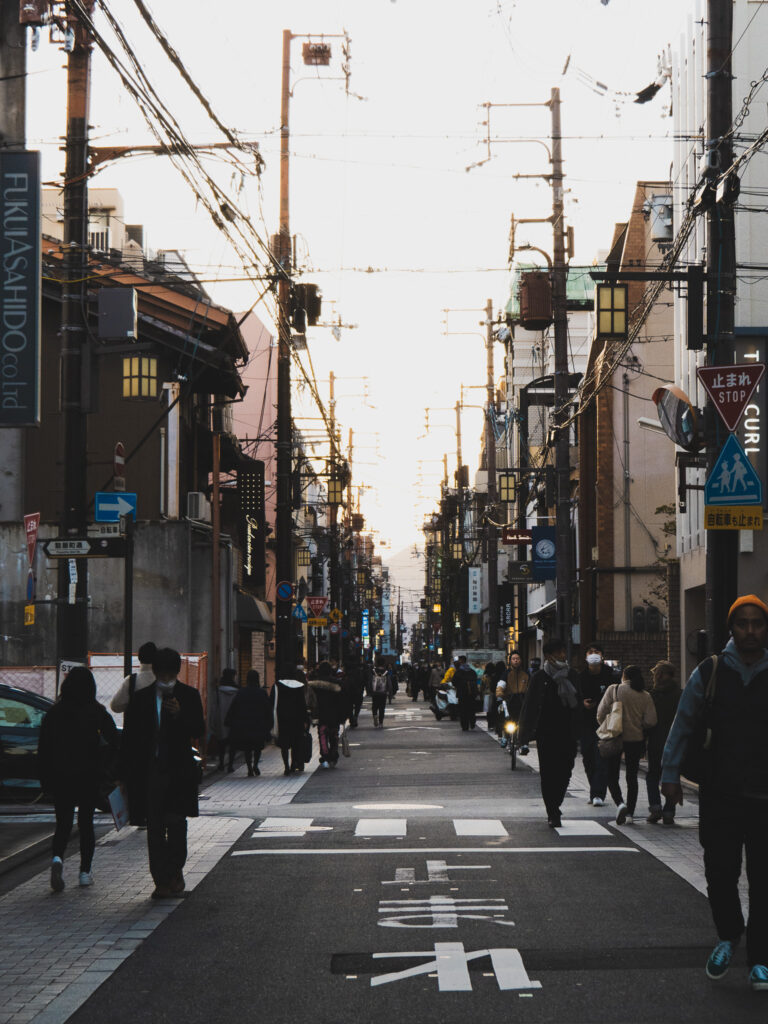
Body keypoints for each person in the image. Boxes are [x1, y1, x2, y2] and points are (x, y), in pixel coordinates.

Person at [662, 595, 768, 990]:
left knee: (765, 881)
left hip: (764, 797)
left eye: (758, 623)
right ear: (731, 628)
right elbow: (682, 723)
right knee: (720, 874)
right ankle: (729, 934)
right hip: (720, 793)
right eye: (743, 623)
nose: (751, 630)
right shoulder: (710, 672)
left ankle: (761, 959)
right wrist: (669, 775)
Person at [117, 647, 205, 900]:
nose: (166, 678)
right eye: (162, 673)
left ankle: (174, 870)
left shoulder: (188, 695)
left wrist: (180, 714)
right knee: (154, 827)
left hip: (178, 771)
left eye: (170, 674)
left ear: (176, 672)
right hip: (150, 771)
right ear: (155, 672)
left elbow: (198, 729)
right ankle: (161, 880)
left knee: (177, 824)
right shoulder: (141, 698)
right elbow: (130, 739)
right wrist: (122, 774)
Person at [38, 667, 119, 892]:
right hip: (89, 776)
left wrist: (46, 781)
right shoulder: (97, 712)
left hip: (61, 777)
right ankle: (85, 872)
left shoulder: (54, 713)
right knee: (85, 824)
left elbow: (43, 749)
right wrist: (108, 772)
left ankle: (57, 859)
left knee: (63, 823)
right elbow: (115, 743)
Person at [518, 637, 581, 828]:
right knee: (548, 774)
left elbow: (579, 702)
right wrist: (524, 735)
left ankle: (556, 802)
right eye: (558, 653)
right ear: (548, 656)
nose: (562, 655)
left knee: (565, 771)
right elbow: (529, 706)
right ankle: (553, 811)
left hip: (568, 732)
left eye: (563, 652)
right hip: (546, 733)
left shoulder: (572, 675)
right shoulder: (539, 677)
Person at [596, 665, 657, 825]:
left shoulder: (614, 689)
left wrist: (609, 725)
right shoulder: (645, 695)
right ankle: (630, 813)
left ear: (624, 676)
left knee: (612, 775)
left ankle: (620, 803)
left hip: (615, 737)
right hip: (635, 740)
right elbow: (651, 721)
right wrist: (638, 725)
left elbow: (600, 714)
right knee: (632, 777)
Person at [578, 642, 615, 807]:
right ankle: (594, 789)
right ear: (586, 657)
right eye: (590, 652)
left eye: (596, 652)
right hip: (586, 723)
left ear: (602, 656)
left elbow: (615, 697)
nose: (593, 654)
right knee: (588, 757)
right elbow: (575, 698)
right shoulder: (581, 677)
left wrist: (600, 704)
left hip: (606, 723)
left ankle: (597, 794)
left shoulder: (611, 676)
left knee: (601, 758)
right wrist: (583, 703)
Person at [645, 660, 680, 824]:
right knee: (672, 775)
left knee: (652, 775)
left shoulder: (652, 696)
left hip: (655, 742)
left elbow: (647, 722)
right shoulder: (680, 694)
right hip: (675, 743)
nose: (657, 676)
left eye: (659, 673)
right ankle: (669, 811)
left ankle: (655, 808)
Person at [225, 669, 273, 776]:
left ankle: (249, 767)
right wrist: (269, 724)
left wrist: (230, 721)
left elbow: (234, 708)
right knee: (257, 747)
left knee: (248, 748)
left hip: (244, 724)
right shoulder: (262, 693)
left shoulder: (241, 692)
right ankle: (256, 764)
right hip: (259, 724)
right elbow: (268, 710)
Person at [272, 668, 311, 775]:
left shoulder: (277, 686)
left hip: (283, 719)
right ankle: (294, 764)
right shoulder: (299, 686)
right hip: (297, 719)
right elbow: (302, 705)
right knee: (296, 743)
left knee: (284, 744)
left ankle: (286, 766)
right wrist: (306, 720)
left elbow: (273, 703)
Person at [309, 660, 345, 765]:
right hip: (334, 714)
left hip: (320, 714)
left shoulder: (314, 683)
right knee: (334, 734)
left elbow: (311, 700)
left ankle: (324, 754)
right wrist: (343, 714)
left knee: (322, 734)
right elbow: (342, 700)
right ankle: (333, 754)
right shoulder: (337, 683)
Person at [110, 641, 157, 714]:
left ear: (139, 658)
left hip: (135, 724)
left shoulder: (131, 681)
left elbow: (115, 706)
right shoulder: (162, 680)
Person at [496, 652, 529, 732]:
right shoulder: (506, 673)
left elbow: (531, 686)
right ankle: (505, 734)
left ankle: (524, 741)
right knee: (505, 717)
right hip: (510, 701)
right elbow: (501, 685)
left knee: (525, 721)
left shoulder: (526, 674)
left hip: (523, 701)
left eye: (517, 659)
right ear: (510, 661)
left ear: (521, 660)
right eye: (513, 659)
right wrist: (499, 693)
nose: (516, 661)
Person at [215, 669, 239, 772]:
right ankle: (230, 765)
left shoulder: (218, 690)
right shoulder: (237, 691)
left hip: (221, 718)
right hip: (233, 719)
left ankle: (221, 763)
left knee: (221, 743)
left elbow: (214, 706)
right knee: (232, 744)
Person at [453, 655, 478, 731]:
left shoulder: (459, 671)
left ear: (461, 661)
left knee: (463, 710)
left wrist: (459, 686)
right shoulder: (472, 671)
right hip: (471, 694)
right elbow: (475, 680)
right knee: (471, 709)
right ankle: (472, 722)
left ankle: (465, 726)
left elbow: (454, 681)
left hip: (462, 694)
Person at [370, 658, 392, 728]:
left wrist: (370, 690)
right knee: (382, 707)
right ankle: (381, 722)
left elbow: (370, 681)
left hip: (375, 692)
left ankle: (375, 715)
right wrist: (389, 691)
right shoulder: (386, 672)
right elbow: (389, 682)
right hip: (383, 692)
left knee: (374, 706)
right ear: (383, 663)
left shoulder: (373, 671)